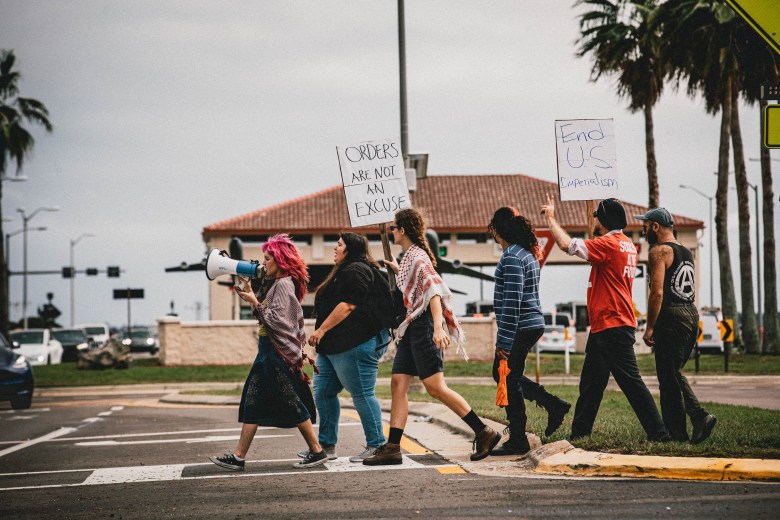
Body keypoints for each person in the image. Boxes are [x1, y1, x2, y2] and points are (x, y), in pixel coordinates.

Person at [363, 208, 502, 465]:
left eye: (394, 228)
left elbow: (434, 292)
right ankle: (393, 447)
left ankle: (484, 431)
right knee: (398, 383)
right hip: (412, 327)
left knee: (435, 388)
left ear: (402, 230)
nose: (391, 231)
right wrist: (396, 268)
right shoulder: (410, 257)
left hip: (424, 327)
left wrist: (438, 328)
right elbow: (414, 287)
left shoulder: (417, 257)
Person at [540, 195, 670, 442]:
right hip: (607, 324)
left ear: (605, 220)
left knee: (631, 382)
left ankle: (660, 434)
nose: (595, 220)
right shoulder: (626, 245)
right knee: (591, 384)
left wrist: (551, 219)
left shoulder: (608, 244)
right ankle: (580, 434)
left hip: (613, 324)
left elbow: (568, 246)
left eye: (597, 216)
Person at [209, 234, 327, 471]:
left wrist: (254, 301)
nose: (264, 263)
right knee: (252, 401)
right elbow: (266, 313)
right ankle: (239, 456)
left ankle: (317, 451)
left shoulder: (283, 284)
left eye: (267, 258)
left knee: (291, 401)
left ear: (280, 261)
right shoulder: (277, 283)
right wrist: (249, 291)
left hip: (274, 353)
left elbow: (276, 320)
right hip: (267, 351)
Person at [488, 207, 571, 455]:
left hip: (521, 325)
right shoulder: (526, 254)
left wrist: (503, 340)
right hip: (529, 323)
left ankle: (519, 438)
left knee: (506, 377)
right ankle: (552, 405)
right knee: (507, 377)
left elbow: (513, 300)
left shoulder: (512, 257)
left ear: (497, 229)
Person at [304, 232, 391, 463]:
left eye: (339, 244)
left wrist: (321, 330)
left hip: (355, 343)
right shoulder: (344, 270)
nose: (335, 248)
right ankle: (326, 446)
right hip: (332, 347)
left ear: (350, 249)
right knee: (322, 392)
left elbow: (349, 304)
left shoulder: (356, 270)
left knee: (362, 394)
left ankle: (377, 445)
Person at [636, 207, 717, 444]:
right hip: (691, 313)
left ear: (656, 227)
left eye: (646, 224)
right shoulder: (685, 251)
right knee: (673, 372)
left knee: (667, 378)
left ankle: (677, 434)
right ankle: (698, 417)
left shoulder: (659, 251)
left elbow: (657, 293)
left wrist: (649, 327)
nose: (643, 229)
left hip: (671, 315)